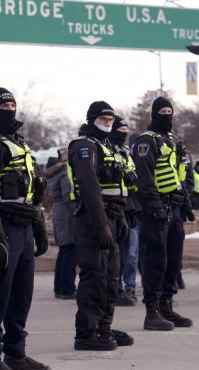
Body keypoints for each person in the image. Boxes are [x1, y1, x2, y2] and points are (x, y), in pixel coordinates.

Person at [0, 88, 50, 370]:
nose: (10, 108)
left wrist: (38, 226)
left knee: (21, 294)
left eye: (13, 103)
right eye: (4, 104)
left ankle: (15, 353)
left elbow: (32, 191)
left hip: (25, 227)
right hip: (2, 227)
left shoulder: (17, 142)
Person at [66, 103, 133, 351]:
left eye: (110, 119)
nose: (108, 123)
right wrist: (102, 223)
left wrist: (121, 218)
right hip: (94, 219)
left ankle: (103, 328)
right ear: (92, 119)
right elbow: (90, 187)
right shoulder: (84, 146)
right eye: (103, 119)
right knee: (94, 277)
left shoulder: (109, 147)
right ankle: (86, 334)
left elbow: (117, 188)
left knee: (111, 279)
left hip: (113, 217)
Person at [132, 96, 193, 330]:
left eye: (170, 110)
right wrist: (156, 207)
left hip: (174, 209)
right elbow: (145, 179)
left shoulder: (173, 141)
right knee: (156, 261)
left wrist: (186, 204)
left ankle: (167, 305)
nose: (167, 115)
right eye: (163, 111)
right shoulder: (146, 142)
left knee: (173, 262)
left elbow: (180, 177)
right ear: (154, 114)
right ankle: (152, 311)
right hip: (156, 211)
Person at [109, 116, 141, 307]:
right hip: (114, 210)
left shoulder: (125, 153)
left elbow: (132, 181)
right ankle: (116, 289)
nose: (123, 134)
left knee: (129, 253)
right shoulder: (107, 151)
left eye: (125, 131)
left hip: (130, 211)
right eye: (120, 130)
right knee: (117, 253)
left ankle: (127, 287)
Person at [46, 149, 77, 299]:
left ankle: (60, 288)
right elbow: (69, 196)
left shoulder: (57, 173)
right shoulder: (65, 174)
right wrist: (78, 212)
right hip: (67, 214)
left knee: (64, 250)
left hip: (60, 212)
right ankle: (67, 288)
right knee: (70, 250)